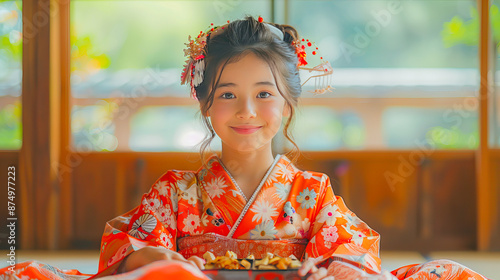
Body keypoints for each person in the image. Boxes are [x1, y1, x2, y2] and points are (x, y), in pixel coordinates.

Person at [0, 16, 489, 280]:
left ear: (289, 105)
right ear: (205, 103)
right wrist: (155, 260)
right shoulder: (176, 191)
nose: (246, 111)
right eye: (227, 94)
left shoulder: (312, 192)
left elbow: (349, 251)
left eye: (264, 94)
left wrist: (334, 268)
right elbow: (130, 248)